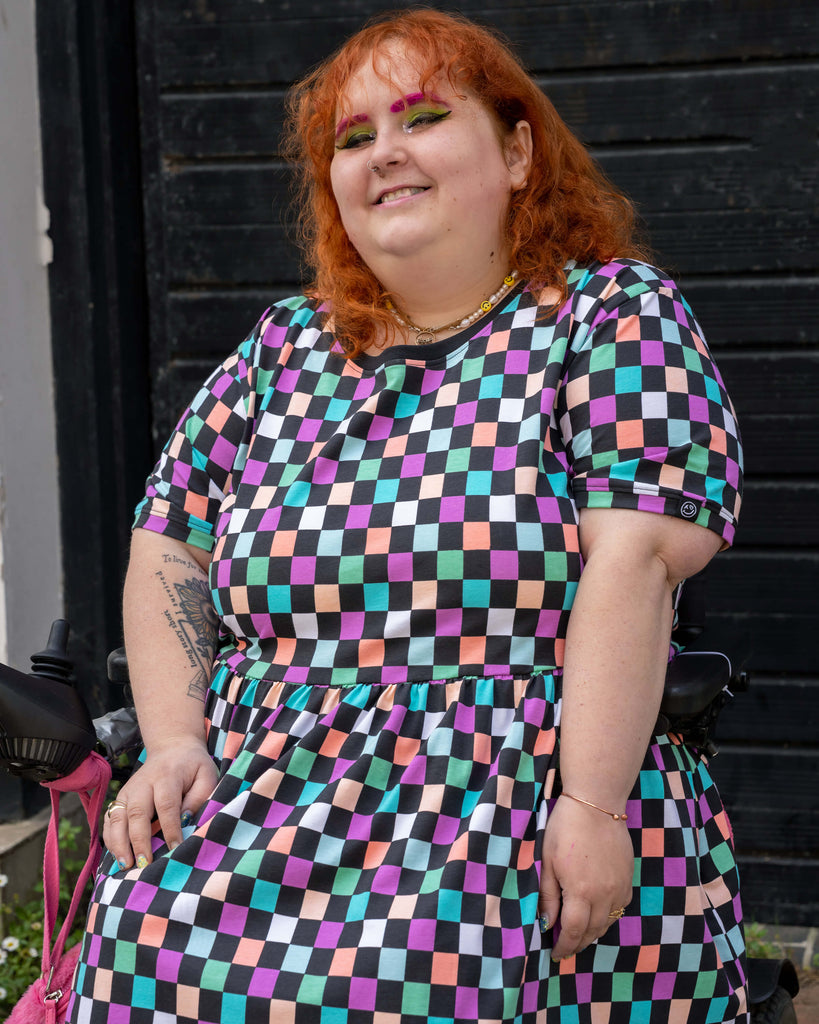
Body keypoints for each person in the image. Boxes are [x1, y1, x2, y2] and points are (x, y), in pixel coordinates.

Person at [68, 9, 747, 1024]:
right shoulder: (285, 348)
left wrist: (592, 804)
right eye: (354, 138)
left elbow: (638, 557)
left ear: (517, 153)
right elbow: (170, 536)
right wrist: (172, 741)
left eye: (422, 119)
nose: (384, 152)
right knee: (136, 968)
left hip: (512, 805)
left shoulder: (608, 316)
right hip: (265, 802)